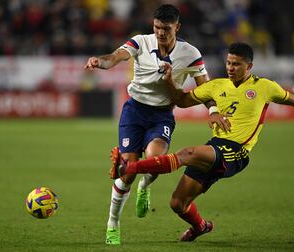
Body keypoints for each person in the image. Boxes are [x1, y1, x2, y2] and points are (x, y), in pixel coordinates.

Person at [110, 42, 294, 242]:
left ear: (249, 66)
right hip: (215, 146)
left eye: (237, 64)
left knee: (187, 154)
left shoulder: (265, 87)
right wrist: (170, 80)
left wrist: (131, 167)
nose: (231, 68)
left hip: (237, 151)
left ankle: (130, 168)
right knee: (177, 204)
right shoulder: (216, 86)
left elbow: (290, 98)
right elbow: (182, 101)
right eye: (229, 63)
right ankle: (200, 226)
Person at [84, 4, 227, 245]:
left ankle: (145, 186)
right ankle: (113, 225)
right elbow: (114, 58)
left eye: (166, 29)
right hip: (134, 112)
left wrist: (213, 111)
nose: (160, 32)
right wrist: (100, 61)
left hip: (161, 115)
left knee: (154, 163)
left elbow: (205, 87)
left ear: (177, 27)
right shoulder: (141, 42)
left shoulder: (190, 53)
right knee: (127, 171)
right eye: (157, 27)